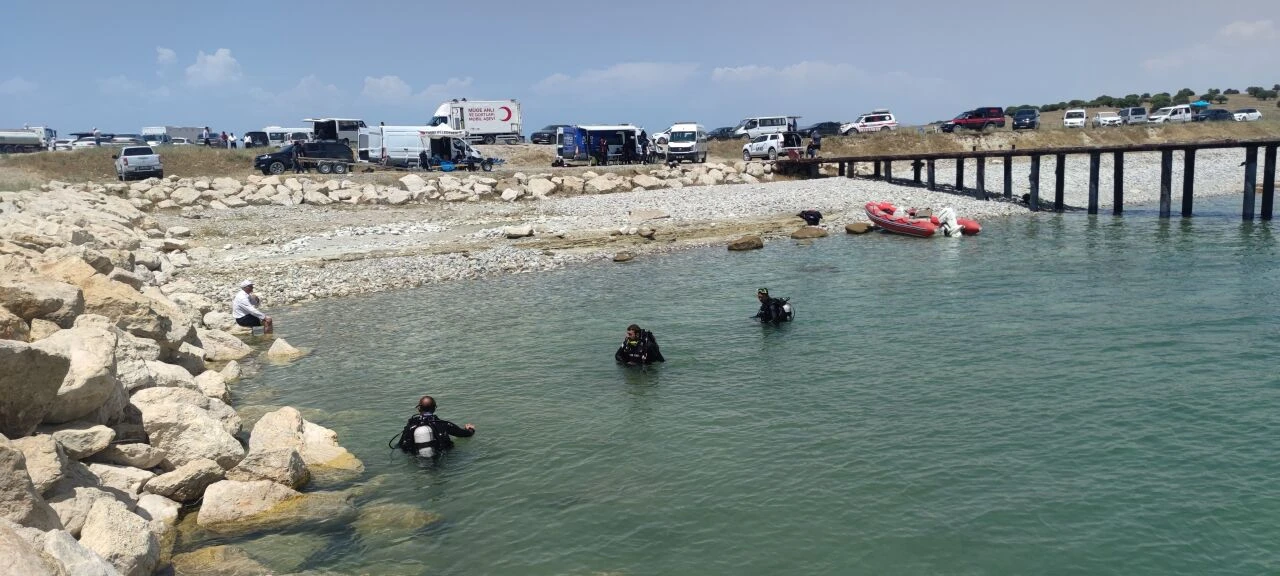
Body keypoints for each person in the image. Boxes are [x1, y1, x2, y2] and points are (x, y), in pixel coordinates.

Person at [395, 395, 475, 458]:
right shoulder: (443, 424)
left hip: (418, 460)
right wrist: (470, 429)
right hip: (440, 459)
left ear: (419, 409)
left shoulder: (411, 426)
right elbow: (464, 434)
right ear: (434, 408)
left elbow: (401, 446)